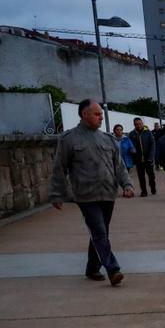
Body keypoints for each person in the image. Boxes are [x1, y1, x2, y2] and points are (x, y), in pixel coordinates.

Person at [49, 99, 134, 286]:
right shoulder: (68, 139)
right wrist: (57, 194)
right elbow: (59, 168)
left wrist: (127, 185)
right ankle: (113, 269)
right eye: (97, 114)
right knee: (99, 231)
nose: (101, 117)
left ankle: (92, 268)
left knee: (100, 233)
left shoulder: (108, 139)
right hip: (86, 195)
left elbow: (119, 166)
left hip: (107, 193)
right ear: (84, 114)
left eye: (101, 114)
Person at [128, 117, 157, 196]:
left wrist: (151, 157)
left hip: (148, 159)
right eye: (136, 124)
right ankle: (144, 191)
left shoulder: (148, 133)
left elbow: (152, 145)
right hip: (138, 159)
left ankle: (153, 188)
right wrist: (132, 154)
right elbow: (129, 146)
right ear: (134, 125)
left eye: (140, 124)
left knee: (151, 176)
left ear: (142, 124)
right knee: (141, 177)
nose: (138, 125)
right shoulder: (132, 134)